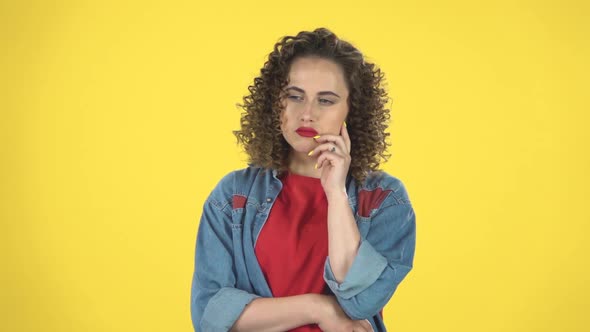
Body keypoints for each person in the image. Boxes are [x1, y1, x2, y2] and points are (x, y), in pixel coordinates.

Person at [190, 27, 416, 332]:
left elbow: (360, 302)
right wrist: (318, 307)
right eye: (294, 96)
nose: (306, 113)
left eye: (326, 100)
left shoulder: (383, 199)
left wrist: (335, 192)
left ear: (352, 111)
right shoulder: (234, 196)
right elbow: (210, 315)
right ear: (275, 103)